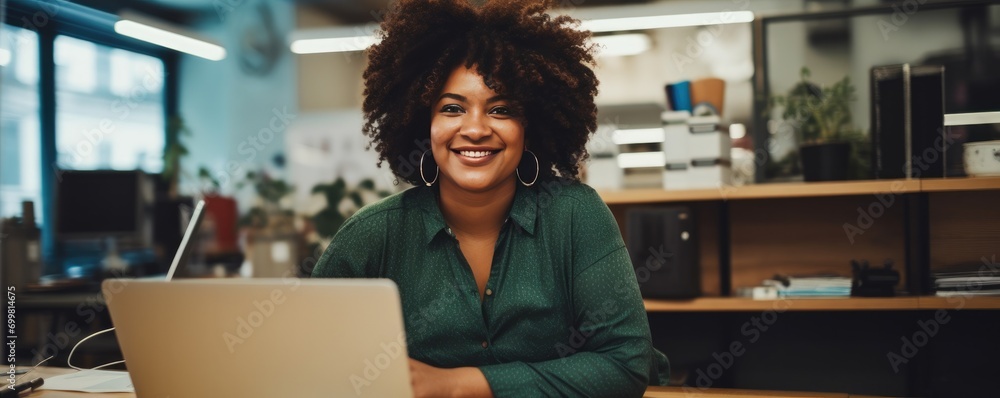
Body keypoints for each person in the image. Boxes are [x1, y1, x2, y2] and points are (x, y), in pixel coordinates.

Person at [311, 0, 670, 396]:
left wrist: (460, 384)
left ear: (529, 126)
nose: (476, 129)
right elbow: (312, 361)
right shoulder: (372, 236)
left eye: (500, 109)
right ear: (421, 123)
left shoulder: (575, 215)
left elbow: (625, 363)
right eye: (452, 108)